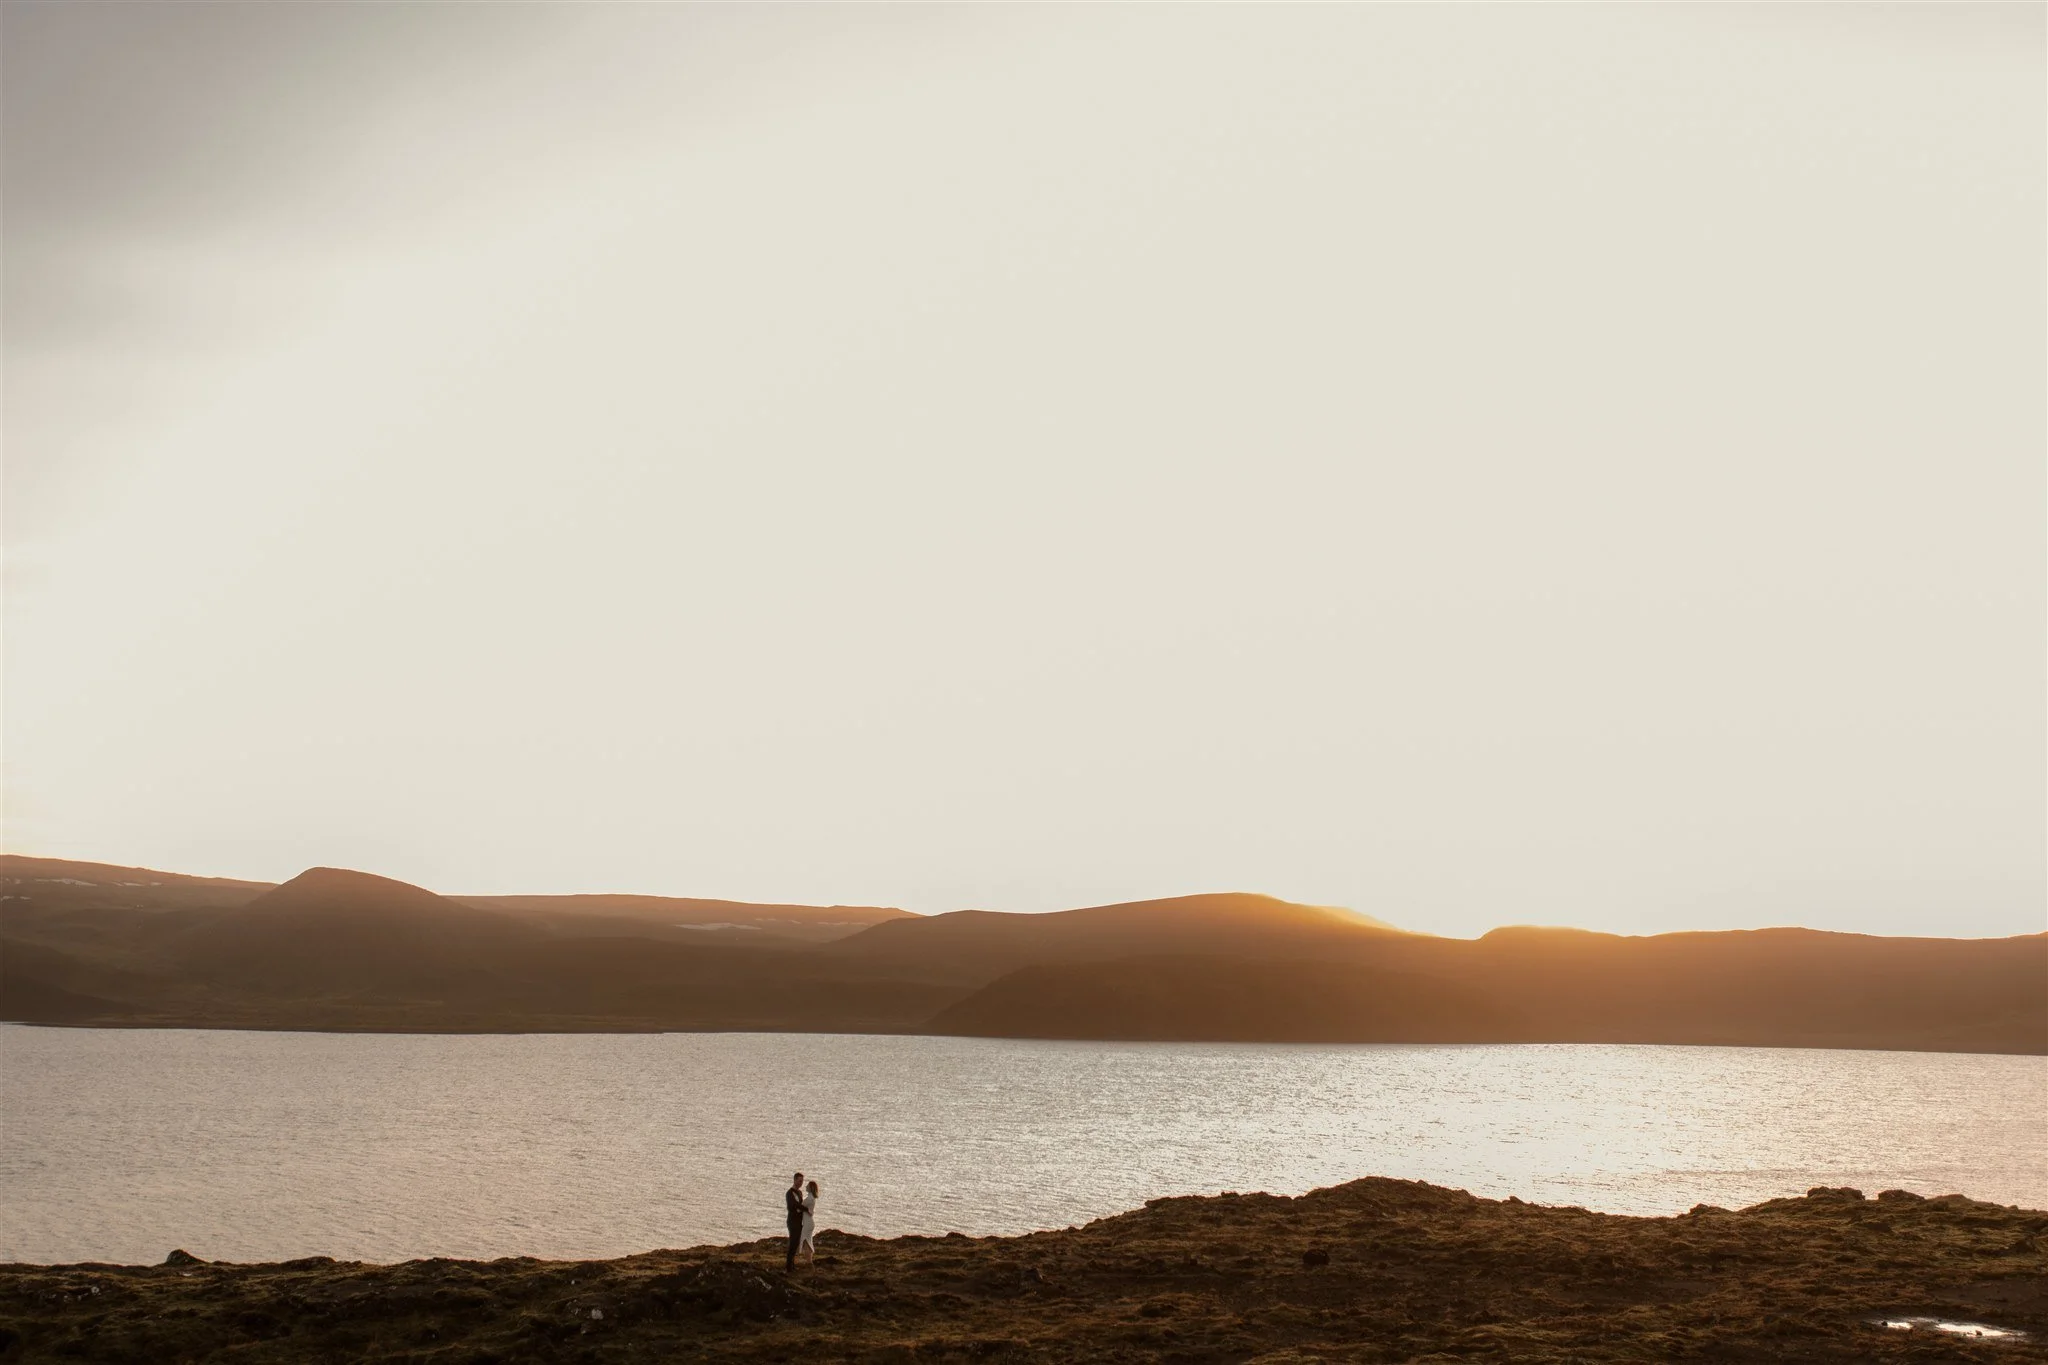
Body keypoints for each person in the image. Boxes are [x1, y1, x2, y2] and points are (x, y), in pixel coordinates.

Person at [783, 1172, 806, 1273]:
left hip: (799, 1221)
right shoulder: (789, 1193)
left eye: (802, 1181)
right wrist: (805, 1208)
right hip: (792, 1221)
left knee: (796, 1243)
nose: (801, 1183)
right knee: (792, 1243)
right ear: (795, 1180)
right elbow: (793, 1205)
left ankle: (792, 1265)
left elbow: (800, 1204)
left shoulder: (800, 1193)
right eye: (799, 1181)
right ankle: (788, 1266)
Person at [798, 1179, 820, 1265]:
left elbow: (800, 1207)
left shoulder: (809, 1198)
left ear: (810, 1188)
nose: (806, 1186)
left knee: (805, 1241)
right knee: (808, 1241)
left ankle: (809, 1261)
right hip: (808, 1222)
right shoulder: (811, 1198)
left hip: (808, 1223)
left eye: (807, 1185)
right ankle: (809, 1260)